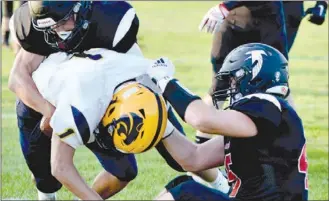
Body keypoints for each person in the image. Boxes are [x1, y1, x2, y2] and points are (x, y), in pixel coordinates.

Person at [8, 1, 141, 200]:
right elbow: (17, 79)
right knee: (46, 180)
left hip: (92, 103)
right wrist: (51, 113)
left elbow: (133, 73)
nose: (58, 30)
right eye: (51, 25)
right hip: (47, 103)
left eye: (62, 21)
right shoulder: (40, 25)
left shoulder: (107, 20)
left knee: (124, 171)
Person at [146, 43, 308, 201]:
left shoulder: (267, 104)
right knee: (184, 184)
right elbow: (193, 158)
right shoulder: (263, 119)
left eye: (234, 79)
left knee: (186, 192)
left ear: (255, 78)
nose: (230, 85)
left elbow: (202, 119)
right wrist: (161, 120)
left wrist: (166, 81)